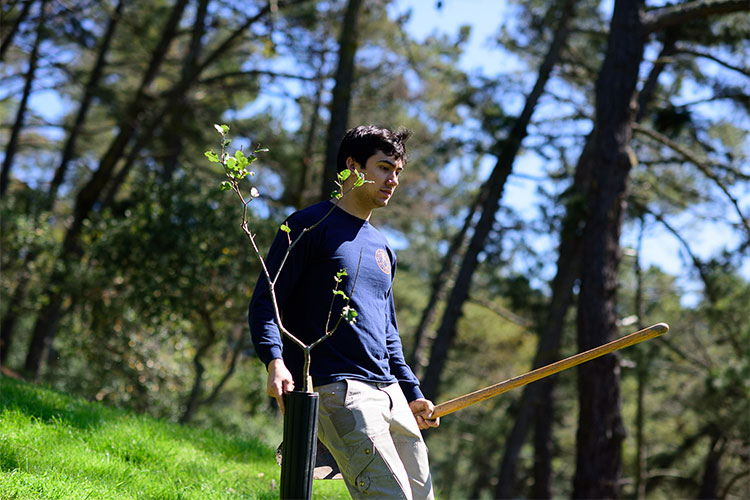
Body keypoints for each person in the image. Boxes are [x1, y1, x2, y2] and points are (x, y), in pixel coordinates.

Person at [249, 125, 439, 499]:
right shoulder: (306, 226)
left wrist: (411, 392)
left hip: (390, 393)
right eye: (384, 168)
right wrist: (274, 360)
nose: (393, 180)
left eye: (397, 172)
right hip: (340, 390)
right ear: (351, 166)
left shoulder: (384, 248)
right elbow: (266, 303)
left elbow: (388, 333)